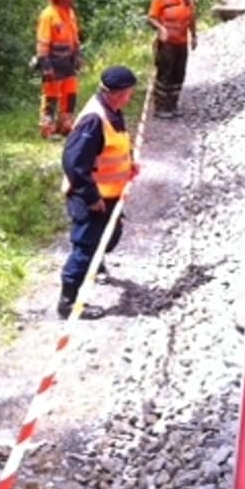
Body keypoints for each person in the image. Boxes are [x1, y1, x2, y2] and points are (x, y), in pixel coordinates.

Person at [56, 65, 139, 318]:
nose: (130, 97)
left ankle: (97, 262)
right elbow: (74, 163)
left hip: (111, 194)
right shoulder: (94, 119)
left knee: (111, 236)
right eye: (128, 93)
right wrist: (91, 198)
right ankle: (69, 303)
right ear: (113, 93)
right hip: (91, 197)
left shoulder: (113, 110)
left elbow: (113, 146)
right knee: (85, 247)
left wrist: (129, 164)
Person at [146, 0, 197, 118]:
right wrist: (161, 29)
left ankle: (173, 105)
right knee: (164, 75)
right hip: (167, 44)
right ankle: (160, 107)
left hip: (182, 42)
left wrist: (194, 35)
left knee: (179, 73)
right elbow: (150, 18)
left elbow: (191, 15)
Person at [35, 0, 83, 137]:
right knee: (51, 96)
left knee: (70, 94)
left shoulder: (70, 13)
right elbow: (42, 44)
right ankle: (47, 128)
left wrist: (78, 55)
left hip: (68, 61)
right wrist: (45, 66)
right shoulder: (48, 15)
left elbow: (75, 37)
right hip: (53, 62)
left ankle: (65, 125)